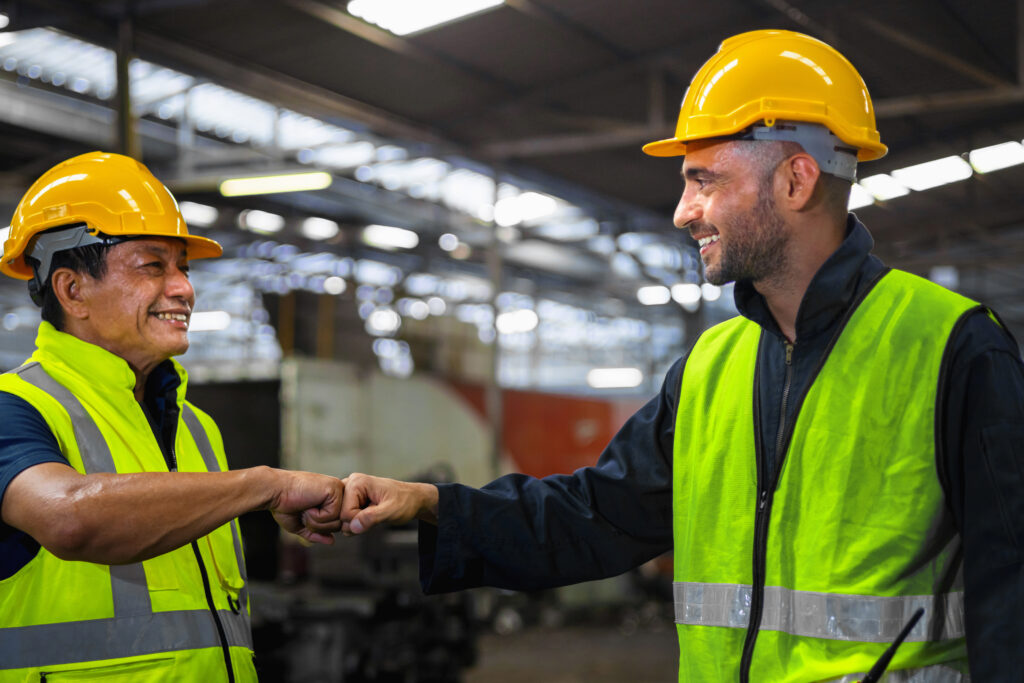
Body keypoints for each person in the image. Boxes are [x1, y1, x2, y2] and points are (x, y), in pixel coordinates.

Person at [338, 30, 1024, 682]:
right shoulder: (709, 367)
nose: (682, 210)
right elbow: (593, 515)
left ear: (796, 180)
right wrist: (430, 504)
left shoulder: (953, 347)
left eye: (705, 180)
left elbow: (1012, 601)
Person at [0, 152, 345, 681]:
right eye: (152, 266)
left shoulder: (196, 427)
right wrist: (264, 488)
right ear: (73, 290)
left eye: (182, 266)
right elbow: (67, 517)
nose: (184, 287)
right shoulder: (14, 405)